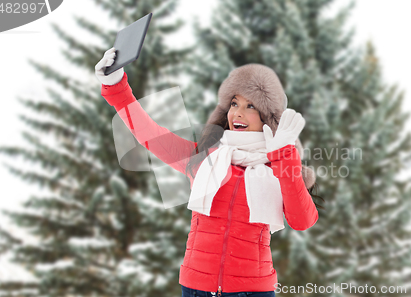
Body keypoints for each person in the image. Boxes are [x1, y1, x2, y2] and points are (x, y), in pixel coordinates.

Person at [95, 48, 319, 297]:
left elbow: (302, 221)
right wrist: (116, 87)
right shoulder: (203, 160)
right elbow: (151, 134)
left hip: (252, 290)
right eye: (234, 103)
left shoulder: (278, 167)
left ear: (267, 117)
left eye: (251, 106)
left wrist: (284, 155)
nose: (238, 113)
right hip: (195, 287)